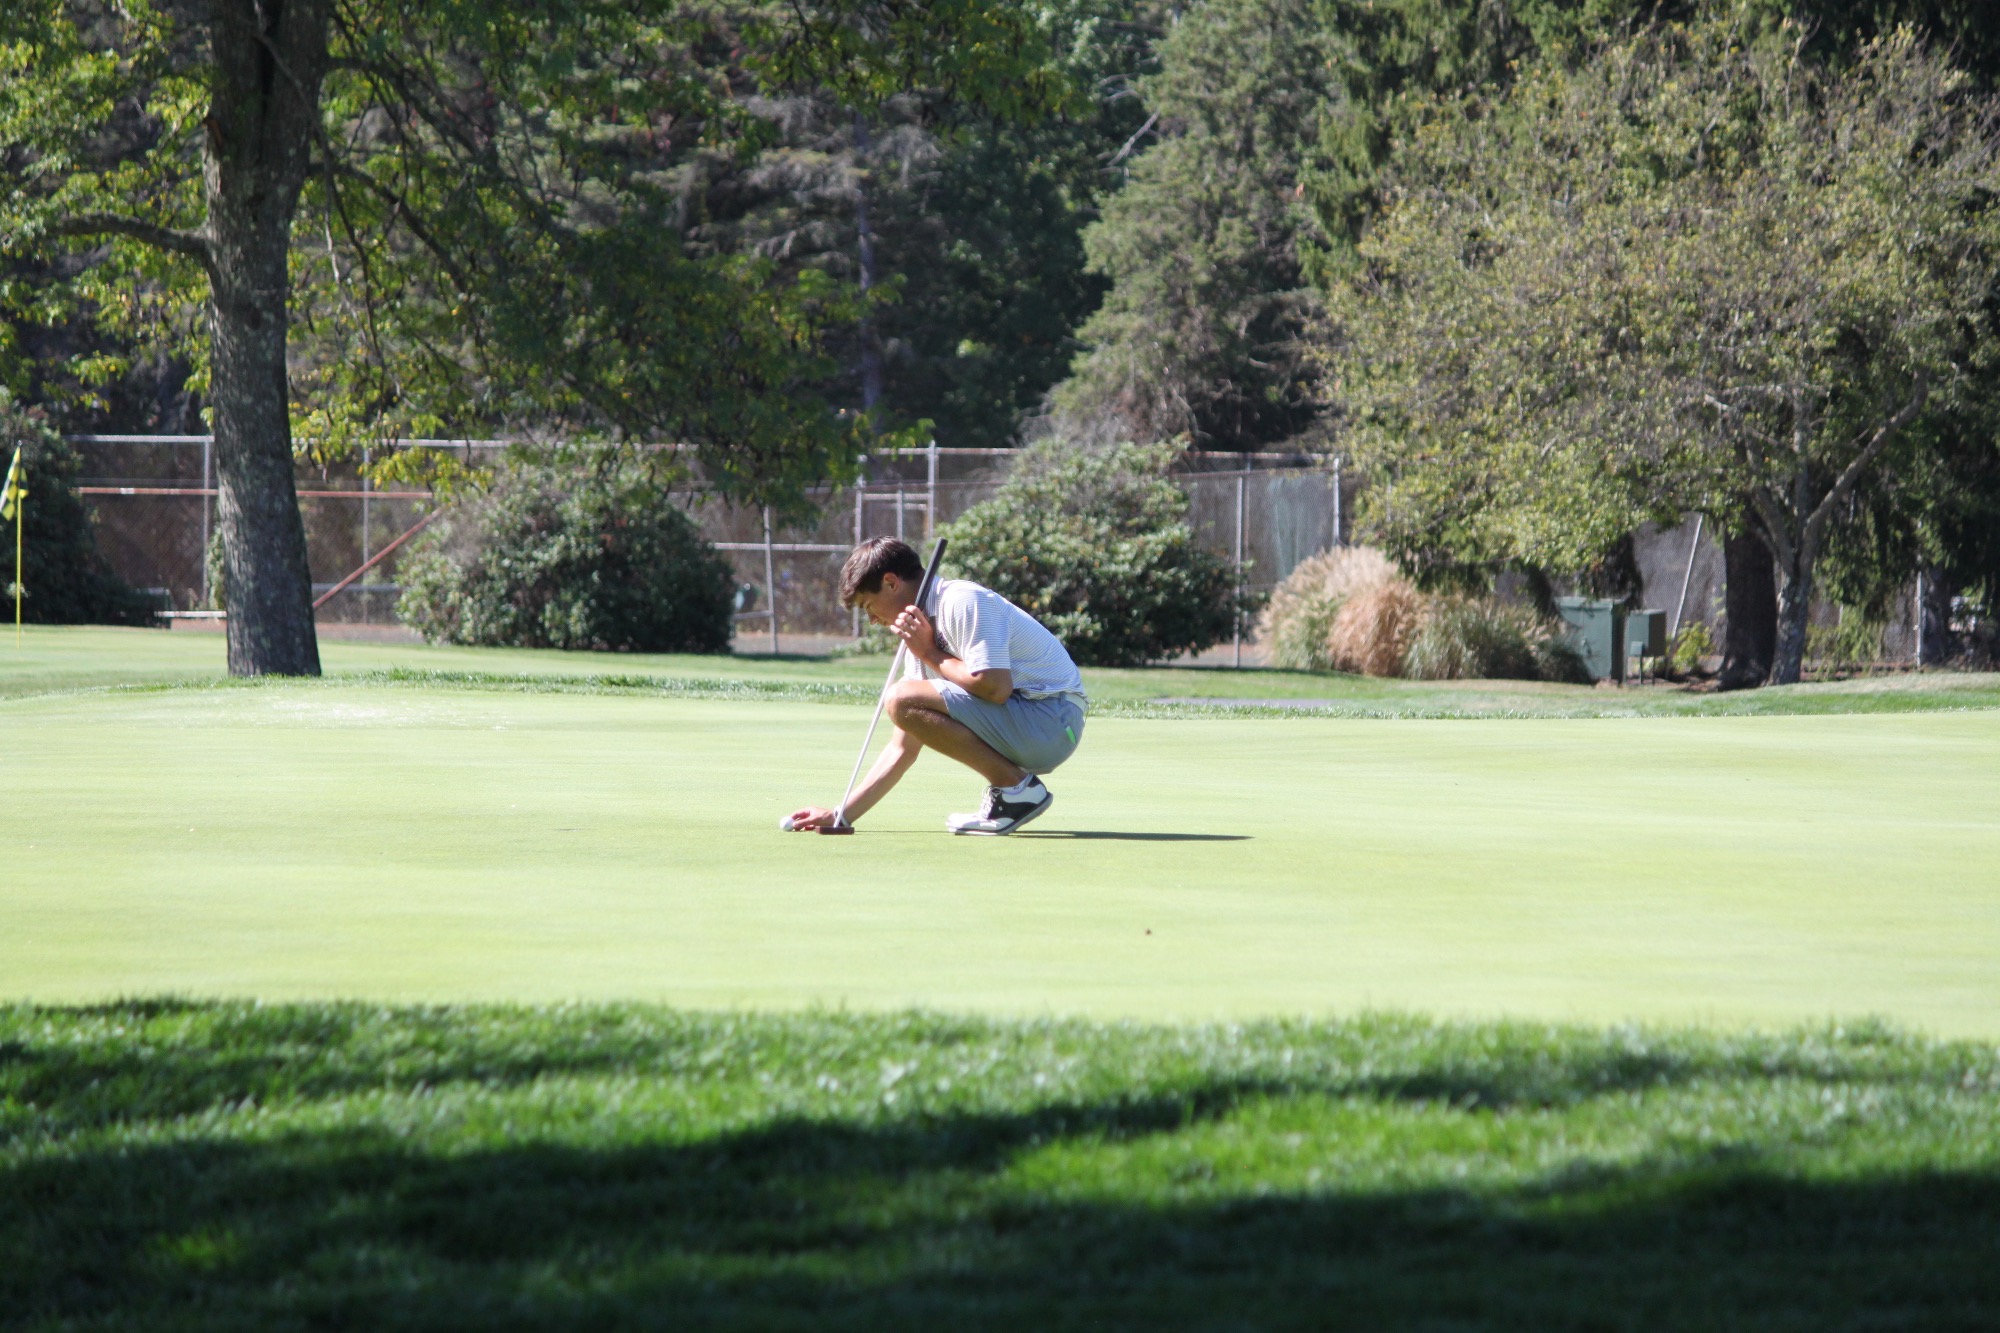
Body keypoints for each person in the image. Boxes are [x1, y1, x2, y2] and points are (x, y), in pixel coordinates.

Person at [785, 537, 1087, 835]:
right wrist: (841, 815)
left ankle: (1016, 791)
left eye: (868, 605)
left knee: (901, 697)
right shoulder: (921, 632)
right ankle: (1015, 791)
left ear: (891, 583)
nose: (873, 619)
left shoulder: (961, 601)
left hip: (1053, 719)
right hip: (1032, 723)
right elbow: (902, 747)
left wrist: (930, 653)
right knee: (903, 701)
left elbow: (995, 687)